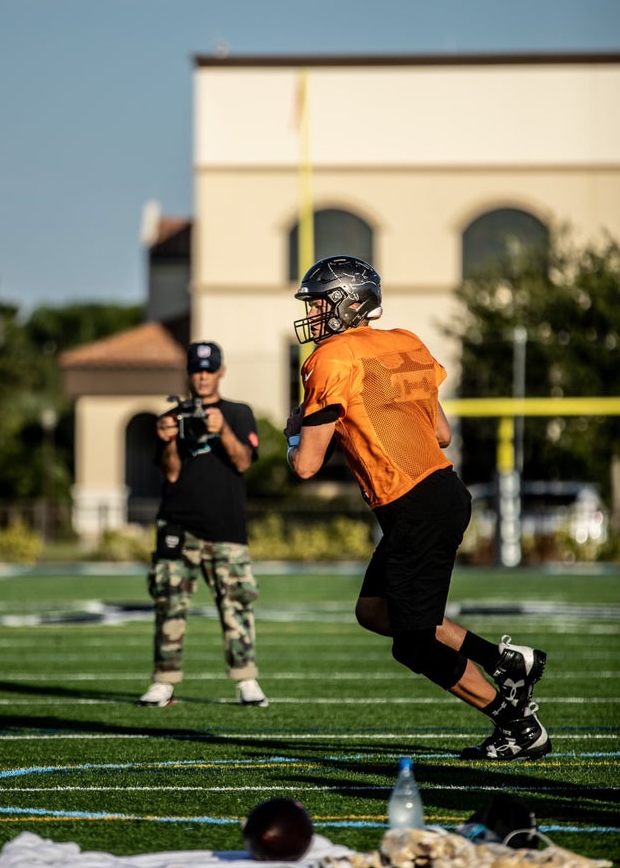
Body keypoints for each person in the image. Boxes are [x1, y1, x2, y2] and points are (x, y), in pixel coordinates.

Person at [283, 255, 550, 761]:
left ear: (347, 304)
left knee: (412, 641)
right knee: (376, 611)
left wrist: (295, 431)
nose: (312, 313)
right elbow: (442, 435)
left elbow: (306, 467)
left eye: (319, 302)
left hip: (415, 505)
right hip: (438, 493)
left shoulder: (330, 358)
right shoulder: (406, 341)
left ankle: (518, 725)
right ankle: (505, 661)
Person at [138, 341, 267, 707]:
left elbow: (243, 462)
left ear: (221, 372)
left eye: (210, 370)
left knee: (237, 605)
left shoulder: (239, 413)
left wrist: (222, 429)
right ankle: (163, 682)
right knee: (169, 604)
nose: (203, 376)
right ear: (189, 373)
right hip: (177, 525)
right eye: (197, 370)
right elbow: (171, 473)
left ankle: (246, 681)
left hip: (226, 528)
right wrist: (167, 440)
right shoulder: (173, 416)